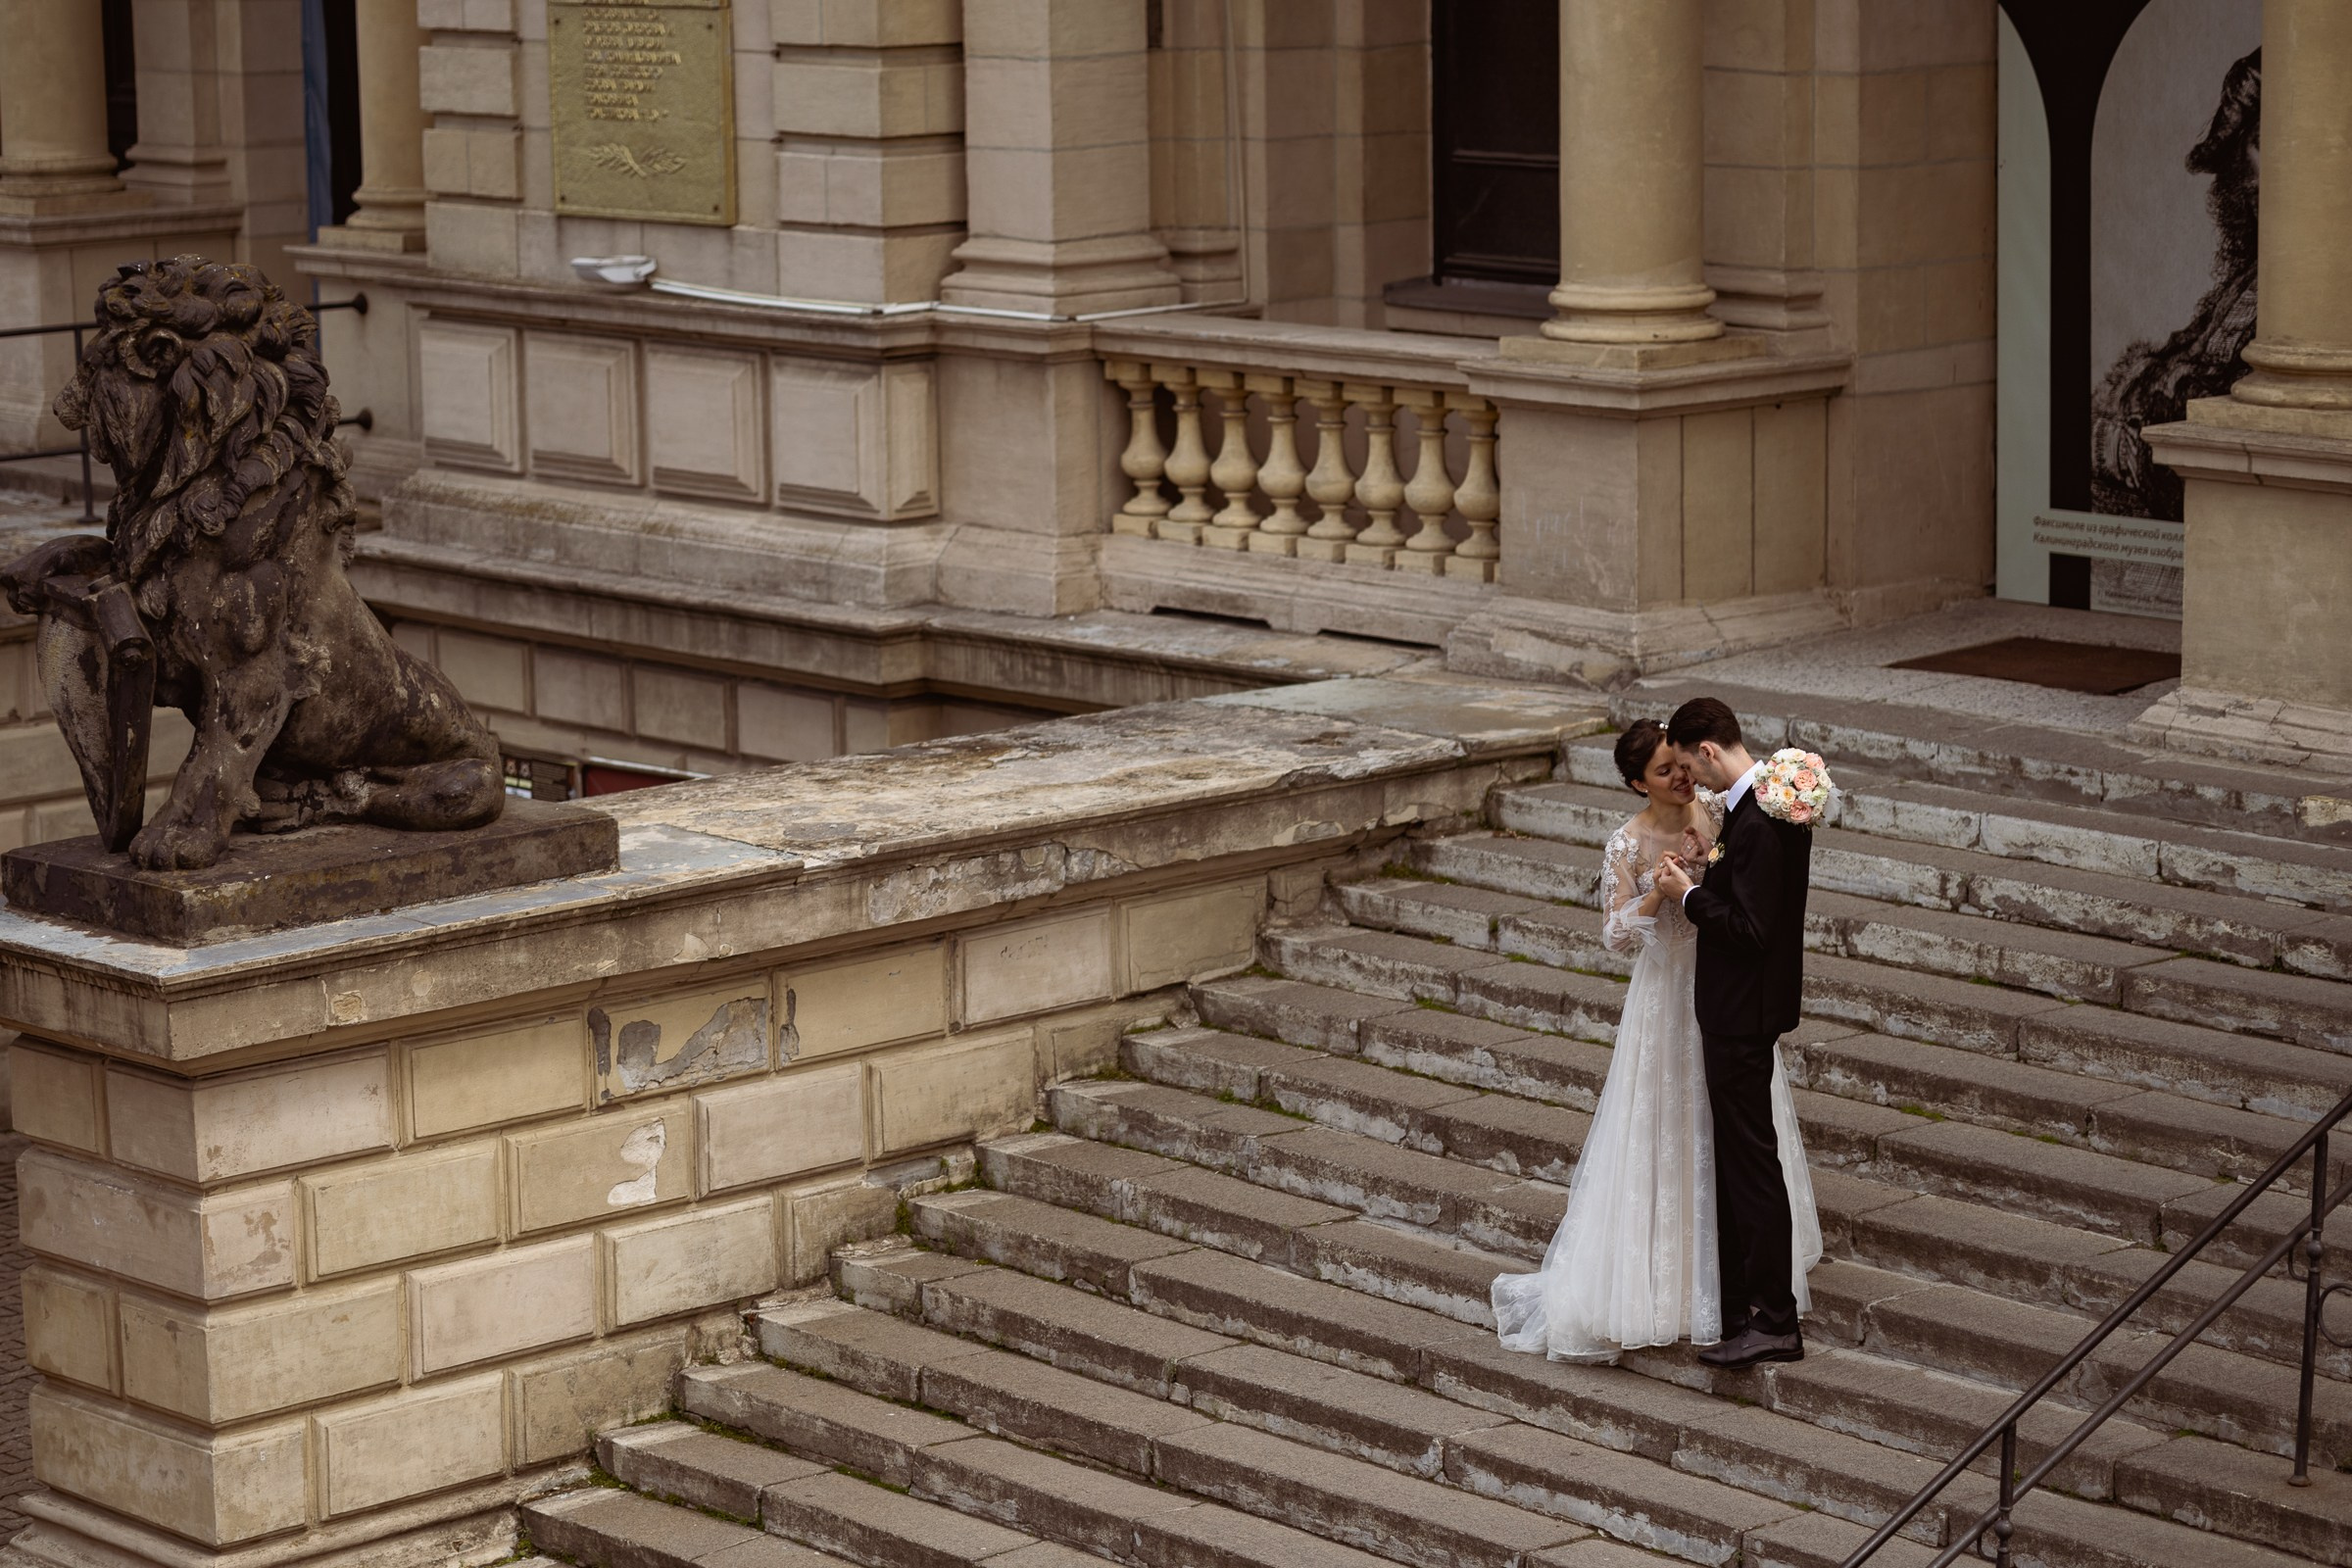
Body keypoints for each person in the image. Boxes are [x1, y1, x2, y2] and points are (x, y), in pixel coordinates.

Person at [1490, 718, 1819, 1364]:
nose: (1681, 777)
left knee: (1735, 1145)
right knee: (1668, 1130)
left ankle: (1739, 1282)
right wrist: (1656, 897)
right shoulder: (1627, 841)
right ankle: (1668, 1279)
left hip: (1727, 990)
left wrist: (1700, 872)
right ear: (1638, 782)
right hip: (1667, 994)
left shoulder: (1726, 815)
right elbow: (1613, 935)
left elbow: (1744, 894)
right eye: (1664, 771)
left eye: (1682, 764)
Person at [1654, 697, 1821, 1370]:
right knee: (1744, 1162)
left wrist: (1685, 896)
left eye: (1692, 767)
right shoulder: (1765, 804)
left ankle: (1775, 1319)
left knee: (1752, 1168)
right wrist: (1707, 869)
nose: (1692, 782)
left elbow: (1752, 929)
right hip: (1748, 1008)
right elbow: (1755, 894)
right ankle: (1745, 1305)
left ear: (1711, 750)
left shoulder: (1759, 818)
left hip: (1741, 1012)